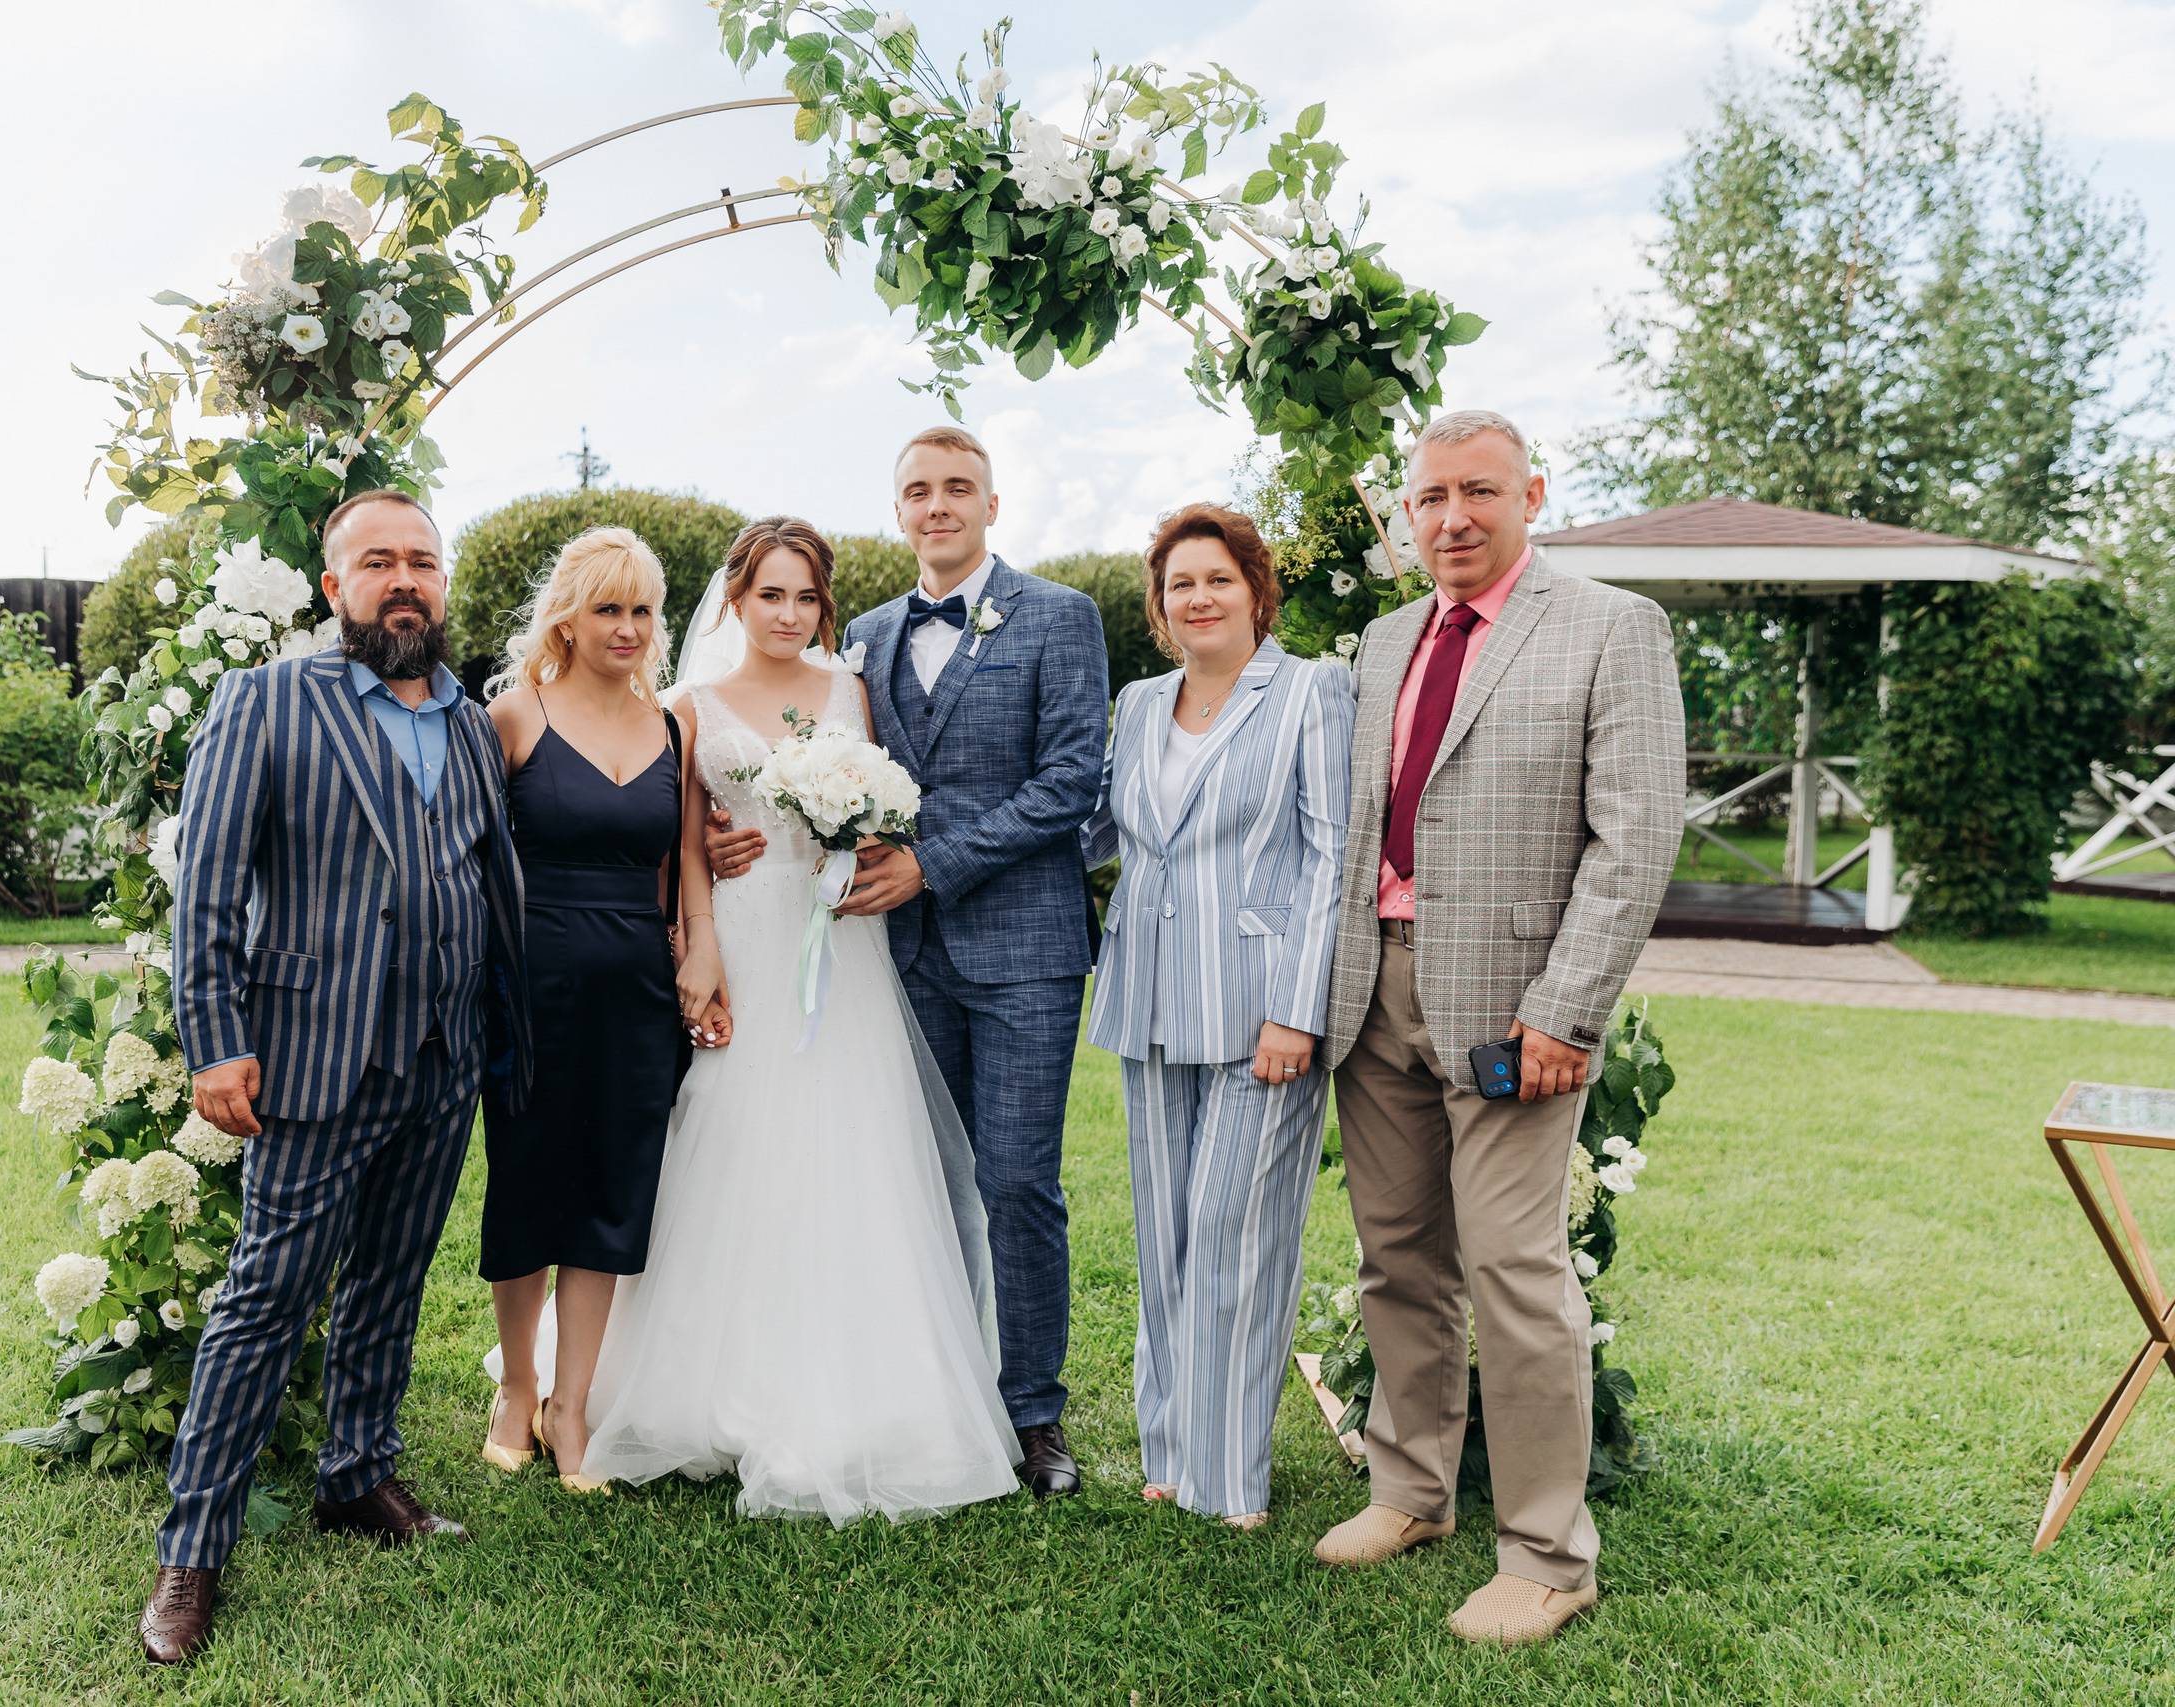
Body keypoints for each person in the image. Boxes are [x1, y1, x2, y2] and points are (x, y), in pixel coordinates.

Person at [143, 489, 533, 1666]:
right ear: (335, 588)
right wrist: (214, 1038)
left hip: (442, 1056)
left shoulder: (471, 723)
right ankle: (191, 1554)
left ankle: (356, 1476)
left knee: (391, 1281)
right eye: (379, 562)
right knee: (265, 1302)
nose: (403, 580)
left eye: (422, 561)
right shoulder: (268, 701)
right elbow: (207, 881)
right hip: (315, 1056)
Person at [1316, 410, 1682, 1646]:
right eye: (1429, 499)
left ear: (1531, 492)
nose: (1452, 518)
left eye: (1478, 492)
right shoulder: (1380, 641)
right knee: (1396, 1258)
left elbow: (1635, 842)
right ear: (1405, 516)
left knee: (1516, 1276)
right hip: (1377, 992)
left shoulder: (1609, 626)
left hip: (1517, 1009)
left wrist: (1566, 1009)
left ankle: (1546, 1555)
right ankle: (1407, 1491)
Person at [578, 516, 1023, 1523]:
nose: (788, 614)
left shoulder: (849, 692)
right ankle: (704, 1383)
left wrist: (862, 836)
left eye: (806, 596)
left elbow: (892, 807)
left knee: (851, 1148)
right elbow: (680, 835)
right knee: (732, 1144)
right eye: (769, 594)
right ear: (733, 598)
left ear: (825, 605)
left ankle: (866, 1388)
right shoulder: (685, 704)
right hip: (744, 938)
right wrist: (698, 937)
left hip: (841, 942)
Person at [710, 428, 1109, 1497]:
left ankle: (1031, 1416)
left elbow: (1072, 781)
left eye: (957, 489)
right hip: (898, 957)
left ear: (992, 502)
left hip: (1021, 945)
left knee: (1017, 1182)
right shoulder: (866, 644)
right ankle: (942, 1395)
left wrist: (933, 864)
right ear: (897, 512)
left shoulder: (1061, 618)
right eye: (917, 491)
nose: (938, 506)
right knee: (921, 1190)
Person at [1081, 503, 1352, 1530]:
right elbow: (1101, 830)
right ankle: (1169, 1454)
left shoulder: (1311, 692)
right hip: (1147, 999)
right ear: (1159, 607)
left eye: (1216, 579)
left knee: (1235, 1240)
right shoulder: (1141, 701)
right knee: (1164, 1242)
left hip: (1261, 1016)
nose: (1196, 598)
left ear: (1254, 590)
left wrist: (1298, 1009)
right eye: (1178, 584)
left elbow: (1331, 855)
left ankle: (1228, 1483)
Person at [479, 527, 727, 1493]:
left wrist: (697, 945)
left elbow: (683, 862)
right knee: (530, 1184)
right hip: (531, 989)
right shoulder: (514, 715)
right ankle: (517, 1385)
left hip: (635, 988)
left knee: (614, 1194)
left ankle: (573, 1403)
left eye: (642, 611)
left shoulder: (674, 726)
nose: (627, 628)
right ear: (566, 621)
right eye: (608, 609)